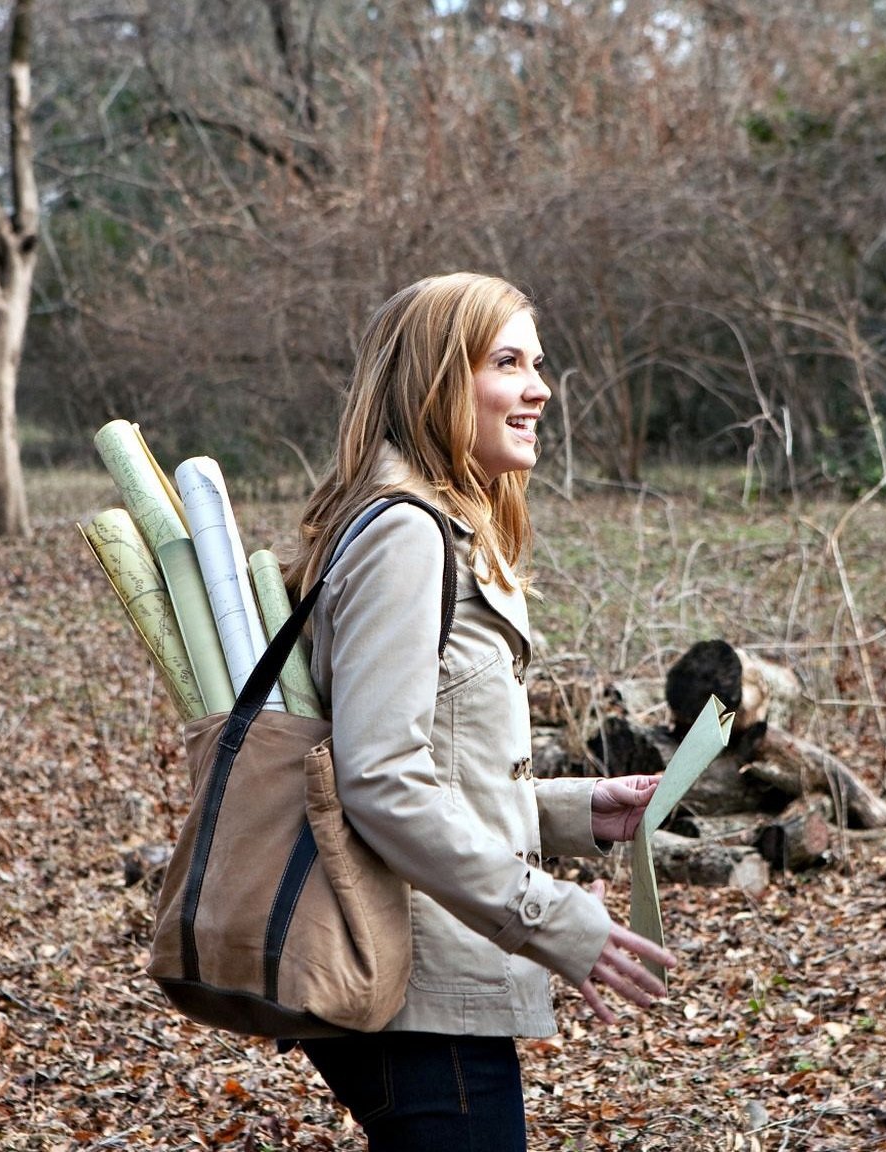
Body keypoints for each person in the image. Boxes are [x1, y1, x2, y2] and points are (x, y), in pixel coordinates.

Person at [286, 272, 674, 1148]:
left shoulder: (423, 525)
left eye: (537, 363)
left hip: (428, 976)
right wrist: (547, 916)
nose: (541, 388)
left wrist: (575, 810)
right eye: (507, 363)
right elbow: (379, 781)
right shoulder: (405, 534)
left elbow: (424, 759)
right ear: (435, 380)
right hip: (419, 985)